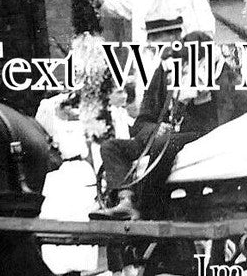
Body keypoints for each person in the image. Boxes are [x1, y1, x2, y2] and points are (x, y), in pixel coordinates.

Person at [92, 24, 220, 222]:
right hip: (157, 138)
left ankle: (143, 208)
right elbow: (141, 122)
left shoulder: (211, 76)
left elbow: (215, 120)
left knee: (164, 143)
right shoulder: (163, 73)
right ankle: (126, 201)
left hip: (192, 137)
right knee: (111, 147)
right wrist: (155, 129)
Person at [34, 92, 102, 276]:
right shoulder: (50, 123)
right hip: (61, 177)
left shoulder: (79, 122)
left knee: (83, 224)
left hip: (81, 173)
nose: (70, 108)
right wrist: (60, 96)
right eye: (66, 104)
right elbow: (44, 108)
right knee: (64, 225)